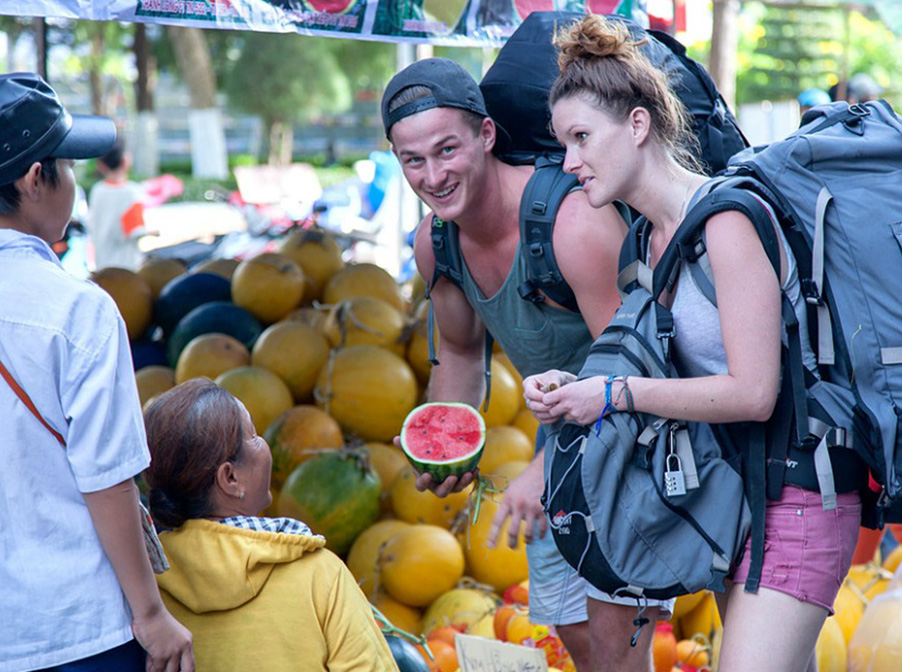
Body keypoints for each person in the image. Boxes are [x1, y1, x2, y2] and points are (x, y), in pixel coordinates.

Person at [523, 16, 862, 672]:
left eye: (582, 138)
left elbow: (754, 392)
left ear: (639, 126)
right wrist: (576, 390)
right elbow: (661, 367)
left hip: (799, 493)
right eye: (564, 143)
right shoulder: (642, 247)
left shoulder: (729, 222)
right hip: (734, 500)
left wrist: (614, 395)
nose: (568, 163)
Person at [381, 57, 670, 672]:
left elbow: (631, 356)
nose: (433, 175)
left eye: (447, 150)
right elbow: (459, 352)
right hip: (558, 436)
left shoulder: (571, 225)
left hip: (636, 432)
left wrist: (546, 464)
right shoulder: (435, 244)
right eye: (413, 161)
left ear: (486, 136)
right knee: (577, 635)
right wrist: (446, 436)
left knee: (620, 647)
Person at [0, 72, 194, 672]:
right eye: (68, 163)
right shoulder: (77, 309)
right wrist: (152, 615)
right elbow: (106, 478)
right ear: (37, 178)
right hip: (73, 628)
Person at [142, 378, 399, 672]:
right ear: (230, 478)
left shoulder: (145, 588)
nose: (264, 443)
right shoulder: (320, 574)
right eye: (253, 435)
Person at [86, 135, 150, 269]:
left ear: (101, 165)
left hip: (102, 265)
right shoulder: (132, 192)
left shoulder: (97, 191)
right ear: (125, 160)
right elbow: (136, 230)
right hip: (127, 267)